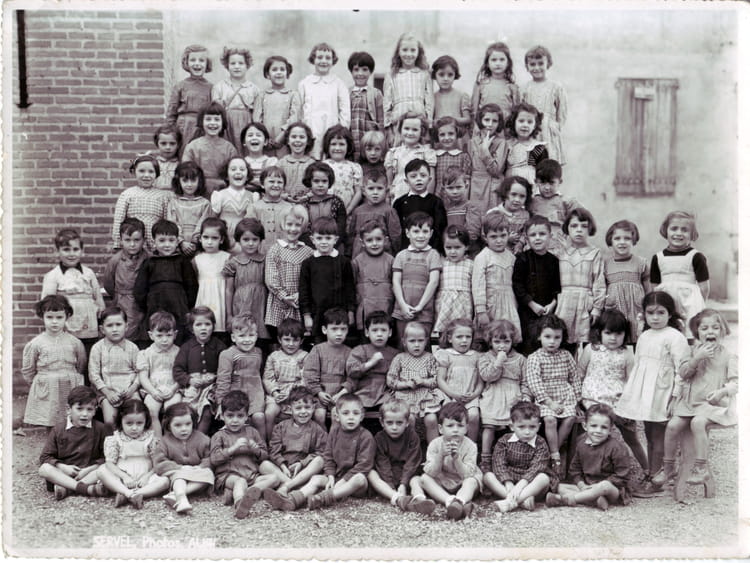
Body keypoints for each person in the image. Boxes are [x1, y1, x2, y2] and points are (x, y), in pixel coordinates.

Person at [615, 292, 691, 496]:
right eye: (650, 313)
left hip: (663, 392)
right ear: (644, 314)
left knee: (658, 436)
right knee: (649, 434)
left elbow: (682, 370)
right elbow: (640, 365)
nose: (655, 317)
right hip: (645, 392)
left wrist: (675, 396)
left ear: (670, 314)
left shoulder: (675, 337)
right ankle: (651, 473)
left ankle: (659, 479)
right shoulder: (645, 335)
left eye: (661, 312)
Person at [655, 309, 737, 488]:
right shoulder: (692, 352)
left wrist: (722, 392)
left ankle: (701, 468)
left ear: (723, 330)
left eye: (715, 327)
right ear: (697, 332)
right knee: (672, 426)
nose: (710, 332)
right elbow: (683, 374)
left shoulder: (728, 356)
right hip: (690, 403)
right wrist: (697, 358)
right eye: (704, 328)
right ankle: (668, 467)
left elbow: (735, 383)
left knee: (698, 423)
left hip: (713, 404)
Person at [578, 309, 648, 474]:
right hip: (592, 400)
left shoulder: (627, 353)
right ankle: (587, 470)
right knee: (593, 433)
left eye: (618, 334)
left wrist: (629, 403)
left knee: (632, 437)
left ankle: (648, 469)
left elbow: (631, 380)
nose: (613, 338)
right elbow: (580, 373)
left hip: (618, 401)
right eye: (608, 333)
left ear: (625, 334)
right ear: (599, 332)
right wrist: (577, 399)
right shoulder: (591, 350)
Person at [524, 314, 581, 476]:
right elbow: (534, 382)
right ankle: (556, 456)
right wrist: (549, 403)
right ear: (539, 336)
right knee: (550, 419)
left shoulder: (566, 355)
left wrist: (577, 402)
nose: (552, 341)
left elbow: (574, 377)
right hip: (545, 398)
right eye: (547, 337)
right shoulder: (535, 357)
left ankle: (550, 452)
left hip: (565, 396)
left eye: (557, 337)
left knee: (570, 418)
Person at [546, 404, 631, 511]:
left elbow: (622, 475)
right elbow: (575, 470)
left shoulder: (616, 448)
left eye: (604, 427)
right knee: (559, 486)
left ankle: (567, 499)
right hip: (588, 485)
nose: (598, 430)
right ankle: (594, 500)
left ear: (610, 429)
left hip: (612, 489)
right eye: (594, 426)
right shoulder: (581, 444)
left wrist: (598, 486)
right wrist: (581, 485)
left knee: (604, 486)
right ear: (585, 426)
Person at [210, 390, 278, 519]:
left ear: (247, 416)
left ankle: (249, 492)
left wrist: (256, 450)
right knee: (240, 482)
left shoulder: (252, 432)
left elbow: (265, 455)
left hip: (251, 476)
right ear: (222, 416)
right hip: (229, 475)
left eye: (240, 416)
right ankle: (240, 503)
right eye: (230, 416)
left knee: (274, 478)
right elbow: (214, 459)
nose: (235, 420)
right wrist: (232, 449)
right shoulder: (219, 436)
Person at [22, 296, 86, 428]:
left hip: (69, 384)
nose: (54, 322)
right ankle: (52, 440)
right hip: (47, 387)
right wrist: (39, 383)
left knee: (70, 420)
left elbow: (81, 364)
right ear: (42, 317)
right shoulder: (36, 343)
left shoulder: (75, 342)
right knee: (50, 420)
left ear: (67, 317)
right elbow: (28, 369)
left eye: (59, 317)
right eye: (49, 317)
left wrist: (73, 378)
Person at [260, 386, 328, 511]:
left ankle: (285, 488)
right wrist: (282, 466)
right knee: (264, 465)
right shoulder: (281, 427)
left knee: (320, 460)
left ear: (313, 408)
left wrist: (302, 463)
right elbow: (274, 450)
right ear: (290, 409)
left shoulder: (316, 429)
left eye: (307, 407)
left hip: (304, 471)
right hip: (284, 470)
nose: (303, 412)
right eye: (298, 408)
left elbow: (322, 451)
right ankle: (292, 488)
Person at [38, 386, 109, 500]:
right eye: (79, 409)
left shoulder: (100, 429)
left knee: (107, 468)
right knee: (44, 469)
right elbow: (45, 457)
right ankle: (85, 489)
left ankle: (68, 489)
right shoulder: (58, 429)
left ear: (95, 410)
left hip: (89, 473)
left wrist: (89, 469)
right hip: (64, 474)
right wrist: (62, 467)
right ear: (68, 409)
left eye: (89, 409)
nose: (85, 414)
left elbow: (107, 457)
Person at [133, 219, 199, 343]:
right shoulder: (150, 262)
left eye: (171, 240)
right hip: (155, 305)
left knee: (179, 334)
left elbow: (192, 287)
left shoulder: (183, 262)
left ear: (177, 241)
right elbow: (140, 288)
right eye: (162, 240)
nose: (167, 245)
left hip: (179, 306)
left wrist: (186, 305)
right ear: (154, 242)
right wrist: (147, 305)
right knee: (157, 330)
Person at [484, 400, 556, 513]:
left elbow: (536, 468)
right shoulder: (504, 441)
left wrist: (520, 486)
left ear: (538, 427)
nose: (527, 432)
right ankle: (522, 501)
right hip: (508, 482)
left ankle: (509, 502)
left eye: (532, 427)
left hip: (531, 486)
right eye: (521, 427)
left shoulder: (540, 443)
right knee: (488, 476)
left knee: (543, 478)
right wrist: (507, 482)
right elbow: (499, 464)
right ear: (512, 426)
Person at [306, 394, 376, 509]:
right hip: (337, 478)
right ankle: (295, 498)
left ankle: (323, 498)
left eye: (356, 413)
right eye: (346, 413)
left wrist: (344, 481)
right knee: (316, 479)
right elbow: (328, 456)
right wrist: (330, 476)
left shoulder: (366, 436)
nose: (351, 417)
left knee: (360, 478)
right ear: (337, 416)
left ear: (362, 416)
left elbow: (364, 465)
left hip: (354, 484)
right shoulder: (334, 432)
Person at [97, 399, 170, 508]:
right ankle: (128, 493)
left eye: (139, 423)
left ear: (146, 422)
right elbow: (110, 463)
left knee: (165, 481)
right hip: (122, 477)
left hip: (145, 478)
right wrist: (124, 477)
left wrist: (147, 477)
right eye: (129, 423)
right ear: (121, 421)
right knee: (101, 471)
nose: (134, 428)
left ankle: (134, 494)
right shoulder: (115, 439)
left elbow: (157, 462)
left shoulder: (150, 438)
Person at [367, 398, 436, 514]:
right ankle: (397, 497)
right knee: (371, 474)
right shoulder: (379, 438)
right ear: (382, 422)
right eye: (389, 423)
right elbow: (382, 464)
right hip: (388, 477)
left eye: (399, 423)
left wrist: (403, 483)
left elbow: (412, 462)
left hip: (408, 474)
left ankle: (419, 498)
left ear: (407, 422)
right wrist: (391, 485)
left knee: (416, 480)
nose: (394, 427)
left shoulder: (412, 436)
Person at [650, 210, 709, 340]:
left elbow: (704, 287)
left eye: (684, 230)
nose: (678, 233)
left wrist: (698, 304)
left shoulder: (696, 256)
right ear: (666, 231)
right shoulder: (657, 258)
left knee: (690, 334)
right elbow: (654, 287)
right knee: (666, 334)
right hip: (666, 302)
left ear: (692, 234)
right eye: (674, 228)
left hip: (690, 303)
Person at [43, 228, 105, 347]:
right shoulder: (53, 276)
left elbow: (98, 299)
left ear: (81, 251)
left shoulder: (89, 273)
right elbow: (47, 307)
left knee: (87, 354)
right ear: (58, 251)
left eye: (76, 249)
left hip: (89, 329)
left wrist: (100, 317)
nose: (72, 254)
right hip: (66, 330)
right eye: (66, 249)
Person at [421, 402, 483, 520]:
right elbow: (431, 472)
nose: (455, 430)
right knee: (424, 478)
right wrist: (440, 456)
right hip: (443, 481)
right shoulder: (435, 444)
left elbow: (467, 474)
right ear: (441, 429)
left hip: (462, 482)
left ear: (466, 428)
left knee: (471, 481)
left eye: (460, 425)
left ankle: (460, 500)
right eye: (450, 426)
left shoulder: (471, 446)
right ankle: (450, 501)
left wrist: (457, 459)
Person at [478, 320, 526, 472]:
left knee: (514, 428)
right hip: (493, 394)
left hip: (513, 395)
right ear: (490, 341)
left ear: (513, 341)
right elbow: (487, 376)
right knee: (489, 426)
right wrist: (498, 362)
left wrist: (525, 397)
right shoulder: (485, 357)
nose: (502, 346)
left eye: (506, 342)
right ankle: (485, 458)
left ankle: (513, 458)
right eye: (497, 342)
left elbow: (525, 381)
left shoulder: (520, 359)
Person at [555, 208, 606, 351]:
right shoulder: (560, 253)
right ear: (567, 228)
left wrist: (597, 309)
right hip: (563, 303)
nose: (579, 230)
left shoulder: (594, 253)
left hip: (584, 303)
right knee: (562, 340)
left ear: (590, 229)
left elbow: (599, 282)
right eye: (574, 226)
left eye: (584, 226)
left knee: (584, 342)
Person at [299, 217, 356, 340]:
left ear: (335, 239)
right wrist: (306, 316)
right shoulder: (308, 264)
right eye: (319, 238)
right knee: (319, 345)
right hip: (317, 315)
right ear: (312, 240)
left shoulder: (343, 262)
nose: (323, 242)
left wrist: (351, 312)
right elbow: (304, 292)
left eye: (328, 238)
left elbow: (350, 289)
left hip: (339, 316)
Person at [173, 306, 227, 434]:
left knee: (206, 410)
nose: (203, 328)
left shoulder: (219, 346)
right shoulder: (187, 347)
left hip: (212, 387)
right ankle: (186, 437)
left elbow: (226, 369)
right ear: (192, 328)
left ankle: (200, 439)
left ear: (213, 326)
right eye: (198, 325)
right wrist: (189, 380)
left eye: (207, 324)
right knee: (188, 411)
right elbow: (177, 370)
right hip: (193, 387)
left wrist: (215, 377)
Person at [511, 215, 561, 355]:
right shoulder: (522, 259)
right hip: (527, 312)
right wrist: (531, 304)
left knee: (546, 343)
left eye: (542, 234)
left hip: (547, 311)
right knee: (528, 345)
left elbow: (558, 287)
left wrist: (553, 304)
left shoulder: (554, 261)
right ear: (527, 239)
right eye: (533, 235)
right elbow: (517, 285)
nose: (537, 238)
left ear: (550, 236)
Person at [153, 402, 214, 515]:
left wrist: (200, 467)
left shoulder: (202, 439)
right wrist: (179, 468)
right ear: (168, 425)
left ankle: (174, 495)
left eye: (188, 424)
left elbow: (210, 457)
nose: (184, 429)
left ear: (193, 422)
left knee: (208, 474)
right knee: (179, 477)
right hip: (177, 474)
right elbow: (159, 463)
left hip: (197, 475)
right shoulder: (164, 441)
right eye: (178, 425)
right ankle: (181, 498)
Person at [391, 211, 443, 343]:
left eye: (425, 231)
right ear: (407, 233)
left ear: (431, 233)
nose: (421, 236)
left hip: (424, 312)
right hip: (403, 311)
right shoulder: (401, 255)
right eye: (416, 231)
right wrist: (403, 305)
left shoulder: (433, 255)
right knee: (403, 344)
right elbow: (396, 282)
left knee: (422, 344)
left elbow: (433, 282)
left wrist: (420, 306)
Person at [386, 321, 442, 444]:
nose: (416, 345)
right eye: (412, 341)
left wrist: (424, 382)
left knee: (431, 419)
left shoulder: (430, 358)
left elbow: (437, 380)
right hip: (405, 397)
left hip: (425, 398)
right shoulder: (399, 358)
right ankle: (409, 449)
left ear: (426, 341)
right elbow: (390, 380)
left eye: (420, 341)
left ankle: (434, 450)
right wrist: (405, 384)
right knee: (409, 419)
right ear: (404, 342)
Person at [215, 314, 268, 441]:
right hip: (236, 394)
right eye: (242, 336)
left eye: (251, 335)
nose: (247, 340)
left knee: (259, 417)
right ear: (233, 337)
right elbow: (223, 380)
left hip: (255, 393)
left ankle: (262, 446)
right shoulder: (227, 354)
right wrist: (221, 403)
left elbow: (259, 374)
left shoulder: (258, 352)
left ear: (256, 336)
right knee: (238, 420)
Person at [263, 205, 314, 332]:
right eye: (289, 224)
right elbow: (271, 279)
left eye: (297, 225)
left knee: (299, 335)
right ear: (282, 225)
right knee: (280, 335)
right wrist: (284, 297)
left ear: (303, 227)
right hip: (279, 303)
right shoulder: (275, 250)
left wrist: (300, 295)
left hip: (300, 301)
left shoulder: (308, 252)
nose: (293, 229)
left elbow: (313, 278)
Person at [88, 306, 140, 428]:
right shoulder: (98, 348)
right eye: (110, 325)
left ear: (126, 326)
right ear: (102, 329)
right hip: (107, 391)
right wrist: (108, 392)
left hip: (129, 391)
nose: (115, 329)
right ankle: (112, 439)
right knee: (110, 421)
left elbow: (140, 372)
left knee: (135, 415)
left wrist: (132, 388)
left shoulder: (133, 348)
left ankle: (133, 438)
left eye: (118, 324)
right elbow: (93, 374)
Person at [472, 212, 521, 338]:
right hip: (490, 305)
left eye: (503, 235)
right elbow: (478, 286)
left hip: (509, 304)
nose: (499, 240)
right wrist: (481, 311)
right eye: (493, 237)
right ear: (485, 237)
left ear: (508, 234)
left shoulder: (511, 257)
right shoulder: (483, 257)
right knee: (490, 336)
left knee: (508, 335)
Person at [298, 42, 350, 159]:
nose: (324, 61)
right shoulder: (304, 83)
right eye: (320, 57)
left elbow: (345, 112)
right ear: (313, 59)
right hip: (310, 130)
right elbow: (299, 110)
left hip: (331, 130)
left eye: (328, 58)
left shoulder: (339, 84)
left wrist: (340, 133)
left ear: (333, 61)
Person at [436, 319, 483, 442]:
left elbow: (480, 382)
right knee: (449, 417)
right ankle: (448, 445)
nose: (464, 340)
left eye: (468, 337)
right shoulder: (445, 354)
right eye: (459, 337)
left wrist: (474, 394)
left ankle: (471, 446)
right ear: (450, 338)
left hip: (470, 396)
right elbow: (440, 379)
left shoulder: (476, 356)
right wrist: (453, 394)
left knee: (474, 416)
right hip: (450, 396)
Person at [603, 219, 650, 345]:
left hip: (636, 311)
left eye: (627, 238)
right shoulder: (605, 264)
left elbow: (649, 290)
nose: (622, 242)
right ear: (611, 241)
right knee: (617, 340)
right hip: (615, 310)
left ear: (633, 240)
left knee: (638, 341)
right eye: (617, 238)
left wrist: (647, 310)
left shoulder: (641, 263)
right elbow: (602, 289)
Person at [303, 308, 352, 426]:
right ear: (325, 330)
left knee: (336, 415)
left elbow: (353, 377)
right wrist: (318, 392)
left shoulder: (350, 352)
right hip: (321, 395)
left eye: (343, 329)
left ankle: (335, 437)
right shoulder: (317, 350)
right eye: (334, 329)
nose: (339, 333)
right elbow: (310, 374)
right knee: (319, 415)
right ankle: (323, 437)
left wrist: (343, 393)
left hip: (340, 396)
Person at [223, 218, 269, 343]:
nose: (250, 243)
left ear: (260, 240)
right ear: (238, 240)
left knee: (261, 336)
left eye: (255, 239)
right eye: (246, 239)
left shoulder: (266, 260)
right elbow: (229, 290)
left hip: (261, 304)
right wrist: (229, 315)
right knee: (242, 333)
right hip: (241, 304)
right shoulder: (233, 262)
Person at [345, 310, 400, 415]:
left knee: (392, 410)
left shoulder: (395, 354)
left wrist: (396, 386)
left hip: (385, 394)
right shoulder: (360, 350)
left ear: (390, 332)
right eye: (374, 330)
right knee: (354, 410)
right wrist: (371, 362)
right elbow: (351, 371)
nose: (379, 334)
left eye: (383, 330)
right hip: (363, 392)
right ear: (367, 332)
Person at [137, 311, 182, 438]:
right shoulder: (145, 353)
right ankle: (157, 441)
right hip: (153, 389)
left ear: (175, 334)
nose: (164, 339)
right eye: (159, 335)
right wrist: (153, 392)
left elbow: (182, 375)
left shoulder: (179, 352)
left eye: (168, 335)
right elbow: (143, 377)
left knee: (172, 410)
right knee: (151, 410)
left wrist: (173, 389)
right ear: (151, 335)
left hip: (173, 388)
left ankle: (170, 441)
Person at [103, 218, 148, 344]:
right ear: (121, 240)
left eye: (136, 240)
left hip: (143, 303)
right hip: (123, 302)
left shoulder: (149, 259)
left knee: (143, 334)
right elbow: (108, 283)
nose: (132, 244)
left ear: (143, 240)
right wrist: (119, 295)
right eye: (127, 240)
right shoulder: (115, 260)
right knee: (126, 332)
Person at [383, 32, 433, 144]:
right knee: (399, 150)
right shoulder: (391, 75)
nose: (409, 54)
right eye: (405, 50)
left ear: (418, 52)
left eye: (413, 50)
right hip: (398, 122)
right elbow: (387, 104)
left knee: (420, 149)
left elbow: (429, 102)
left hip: (419, 122)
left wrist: (429, 126)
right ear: (398, 52)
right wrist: (388, 130)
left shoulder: (424, 74)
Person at [520, 46, 567, 164]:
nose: (537, 67)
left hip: (549, 132)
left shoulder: (556, 87)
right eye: (532, 64)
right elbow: (520, 112)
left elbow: (562, 112)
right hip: (531, 130)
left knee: (549, 165)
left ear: (548, 64)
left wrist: (556, 127)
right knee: (531, 164)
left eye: (541, 63)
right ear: (527, 66)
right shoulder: (525, 88)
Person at [182, 102, 239, 195]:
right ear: (201, 121)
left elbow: (234, 172)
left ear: (223, 122)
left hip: (223, 192)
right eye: (208, 119)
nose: (212, 123)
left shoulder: (229, 148)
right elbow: (185, 171)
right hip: (198, 190)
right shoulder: (192, 146)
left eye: (217, 119)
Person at [211, 47, 260, 154]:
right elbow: (215, 111)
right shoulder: (219, 87)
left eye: (241, 63)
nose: (237, 66)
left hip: (246, 123)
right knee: (225, 150)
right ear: (227, 66)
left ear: (247, 65)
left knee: (245, 150)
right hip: (226, 124)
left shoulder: (254, 89)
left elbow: (257, 112)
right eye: (233, 63)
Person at [166, 44, 213, 154]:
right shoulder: (180, 86)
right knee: (184, 154)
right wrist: (171, 133)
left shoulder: (211, 87)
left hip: (203, 127)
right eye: (193, 60)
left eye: (201, 60)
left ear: (207, 63)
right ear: (186, 62)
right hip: (184, 127)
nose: (197, 63)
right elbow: (171, 113)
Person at [262, 318, 307, 428]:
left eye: (295, 340)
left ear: (301, 341)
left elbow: (306, 378)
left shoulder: (305, 356)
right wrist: (275, 393)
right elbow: (268, 378)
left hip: (298, 394)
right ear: (279, 339)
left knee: (302, 412)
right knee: (269, 413)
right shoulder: (273, 357)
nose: (291, 344)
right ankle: (270, 438)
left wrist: (292, 394)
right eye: (287, 339)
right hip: (277, 394)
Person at [351, 221, 396, 333]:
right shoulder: (357, 262)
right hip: (365, 311)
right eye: (369, 240)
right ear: (362, 242)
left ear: (385, 240)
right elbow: (351, 288)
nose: (374, 243)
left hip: (386, 309)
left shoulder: (391, 261)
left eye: (378, 239)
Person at [346, 169, 402, 259]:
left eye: (379, 188)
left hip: (382, 254)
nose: (375, 192)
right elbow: (352, 234)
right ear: (363, 191)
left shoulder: (389, 211)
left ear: (386, 191)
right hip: (359, 254)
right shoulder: (358, 211)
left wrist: (395, 253)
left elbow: (395, 235)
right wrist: (349, 252)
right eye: (371, 188)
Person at [529, 159, 579, 256]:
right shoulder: (532, 202)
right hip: (536, 247)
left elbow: (581, 218)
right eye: (543, 183)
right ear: (536, 182)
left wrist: (570, 237)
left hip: (558, 247)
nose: (547, 187)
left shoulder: (565, 201)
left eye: (551, 183)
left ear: (560, 181)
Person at [254, 55, 301, 157]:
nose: (279, 72)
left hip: (285, 141)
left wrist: (282, 136)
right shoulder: (262, 95)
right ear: (268, 74)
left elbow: (294, 118)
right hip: (265, 143)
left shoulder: (293, 95)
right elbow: (257, 120)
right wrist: (264, 138)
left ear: (287, 73)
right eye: (274, 69)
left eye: (282, 69)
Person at [192, 217, 231, 336]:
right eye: (206, 237)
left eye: (214, 238)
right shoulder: (196, 259)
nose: (209, 242)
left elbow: (229, 287)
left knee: (219, 328)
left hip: (220, 299)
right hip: (203, 299)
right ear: (200, 238)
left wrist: (229, 313)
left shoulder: (227, 258)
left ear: (221, 239)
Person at [166, 161, 212, 259]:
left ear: (199, 181)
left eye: (193, 180)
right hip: (177, 246)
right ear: (178, 181)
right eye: (185, 181)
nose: (189, 184)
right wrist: (181, 242)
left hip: (198, 246)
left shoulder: (205, 204)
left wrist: (194, 242)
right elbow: (172, 224)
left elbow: (203, 225)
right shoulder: (174, 202)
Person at [385, 113, 437, 201]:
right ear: (400, 130)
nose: (410, 133)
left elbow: (431, 178)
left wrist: (427, 199)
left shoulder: (427, 153)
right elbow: (390, 181)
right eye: (406, 128)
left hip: (420, 196)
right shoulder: (393, 153)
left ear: (422, 132)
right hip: (399, 194)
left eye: (415, 130)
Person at [434, 225, 474, 336]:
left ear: (466, 246)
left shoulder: (471, 264)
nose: (453, 251)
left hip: (463, 304)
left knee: (462, 330)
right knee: (443, 332)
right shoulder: (440, 263)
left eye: (457, 247)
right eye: (448, 248)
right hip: (444, 305)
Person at [468, 103, 507, 214]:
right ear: (480, 121)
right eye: (486, 120)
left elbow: (496, 170)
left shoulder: (501, 143)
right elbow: (469, 168)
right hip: (476, 187)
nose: (490, 124)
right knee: (475, 216)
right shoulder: (472, 142)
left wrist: (485, 151)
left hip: (493, 186)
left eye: (494, 121)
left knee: (492, 217)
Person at [470, 41, 520, 127]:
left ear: (508, 63)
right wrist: (476, 128)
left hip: (505, 129)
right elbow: (474, 111)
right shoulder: (480, 84)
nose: (498, 63)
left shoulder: (512, 86)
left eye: (502, 60)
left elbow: (516, 112)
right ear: (487, 63)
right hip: (485, 127)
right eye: (494, 60)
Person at [300, 161, 347, 251]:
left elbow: (341, 228)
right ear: (310, 182)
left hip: (334, 248)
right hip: (310, 249)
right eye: (316, 181)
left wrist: (330, 245)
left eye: (324, 181)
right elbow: (303, 230)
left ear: (329, 182)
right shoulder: (304, 204)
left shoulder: (337, 202)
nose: (320, 185)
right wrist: (314, 247)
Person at [347, 51, 384, 162]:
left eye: (364, 69)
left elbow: (381, 120)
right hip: (352, 139)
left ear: (370, 71)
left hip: (369, 141)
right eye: (356, 69)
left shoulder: (376, 93)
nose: (360, 73)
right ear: (351, 71)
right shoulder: (346, 92)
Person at [246, 166, 293, 255]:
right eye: (271, 181)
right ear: (262, 184)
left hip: (284, 254)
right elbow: (248, 232)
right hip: (259, 253)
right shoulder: (254, 207)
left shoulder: (289, 208)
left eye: (279, 182)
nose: (276, 185)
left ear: (284, 186)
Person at [210, 157, 256, 243]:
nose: (238, 172)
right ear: (226, 176)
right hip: (225, 239)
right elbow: (212, 220)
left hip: (246, 240)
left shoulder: (253, 197)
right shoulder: (220, 195)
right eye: (233, 169)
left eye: (242, 169)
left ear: (247, 176)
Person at [321, 124, 363, 213]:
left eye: (341, 144)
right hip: (325, 211)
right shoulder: (322, 166)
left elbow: (358, 192)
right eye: (333, 144)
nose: (337, 148)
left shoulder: (354, 167)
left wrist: (348, 210)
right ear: (327, 146)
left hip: (347, 212)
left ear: (348, 146)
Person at [440, 168, 482, 257]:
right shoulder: (444, 207)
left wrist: (459, 246)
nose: (455, 191)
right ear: (444, 189)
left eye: (458, 187)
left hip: (468, 252)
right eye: (450, 188)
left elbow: (473, 233)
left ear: (466, 186)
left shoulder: (471, 206)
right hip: (451, 251)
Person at [503, 102, 548, 184]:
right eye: (521, 121)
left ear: (535, 126)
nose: (525, 125)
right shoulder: (507, 145)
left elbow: (543, 173)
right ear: (513, 122)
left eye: (530, 122)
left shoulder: (537, 147)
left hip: (530, 185)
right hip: (510, 185)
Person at [489, 176, 532, 254]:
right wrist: (505, 238)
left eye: (522, 196)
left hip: (517, 253)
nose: (517, 200)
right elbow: (485, 235)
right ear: (505, 193)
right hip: (496, 253)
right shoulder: (494, 213)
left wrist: (520, 243)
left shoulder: (525, 215)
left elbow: (526, 233)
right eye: (513, 194)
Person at [432, 118, 473, 202]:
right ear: (437, 136)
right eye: (442, 135)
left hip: (458, 198)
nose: (447, 138)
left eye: (451, 134)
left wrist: (464, 201)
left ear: (457, 134)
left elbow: (467, 181)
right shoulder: (433, 156)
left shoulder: (463, 156)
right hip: (438, 199)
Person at [431, 57, 472, 138]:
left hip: (458, 136)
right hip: (440, 137)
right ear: (435, 75)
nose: (446, 79)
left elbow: (467, 119)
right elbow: (430, 120)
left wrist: (450, 119)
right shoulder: (432, 97)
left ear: (455, 75)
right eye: (441, 75)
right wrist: (438, 122)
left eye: (450, 75)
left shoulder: (461, 96)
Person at [276, 122, 316, 202]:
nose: (297, 140)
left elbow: (317, 185)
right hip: (284, 203)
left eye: (302, 137)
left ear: (308, 141)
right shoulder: (281, 163)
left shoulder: (312, 164)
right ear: (288, 141)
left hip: (307, 203)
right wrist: (285, 196)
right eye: (294, 137)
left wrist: (307, 196)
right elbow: (275, 183)